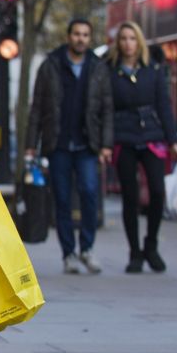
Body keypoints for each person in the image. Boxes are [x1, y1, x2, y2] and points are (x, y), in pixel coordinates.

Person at [26, 18, 113, 275]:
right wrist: (31, 144)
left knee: (89, 193)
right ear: (69, 36)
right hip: (58, 144)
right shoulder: (50, 65)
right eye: (76, 34)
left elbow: (107, 109)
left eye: (85, 35)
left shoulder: (98, 67)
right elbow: (37, 108)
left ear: (89, 38)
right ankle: (69, 253)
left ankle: (87, 248)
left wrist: (106, 144)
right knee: (62, 199)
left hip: (88, 144)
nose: (80, 39)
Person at [107, 21, 174, 273]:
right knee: (130, 196)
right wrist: (105, 142)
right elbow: (105, 107)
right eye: (123, 38)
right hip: (123, 136)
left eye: (132, 38)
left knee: (157, 191)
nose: (128, 43)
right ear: (118, 43)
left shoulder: (153, 70)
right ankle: (134, 252)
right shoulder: (110, 71)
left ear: (139, 42)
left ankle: (151, 245)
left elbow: (164, 105)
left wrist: (172, 139)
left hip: (151, 135)